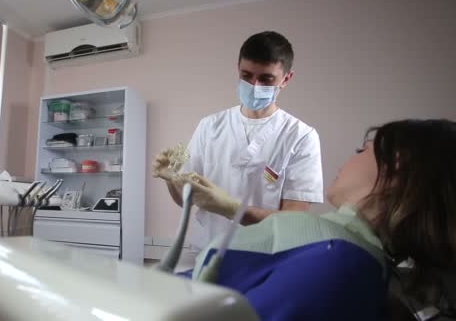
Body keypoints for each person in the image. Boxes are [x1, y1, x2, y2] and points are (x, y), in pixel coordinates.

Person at [176, 119, 456, 320]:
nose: (350, 158)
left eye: (363, 150)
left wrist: (232, 207)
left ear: (397, 164)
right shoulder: (338, 252)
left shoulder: (340, 263)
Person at [154, 31, 324, 250]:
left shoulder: (301, 136)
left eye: (265, 79)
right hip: (208, 248)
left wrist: (231, 208)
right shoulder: (209, 126)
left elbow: (293, 221)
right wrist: (171, 179)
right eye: (246, 76)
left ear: (286, 79)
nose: (254, 85)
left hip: (264, 255)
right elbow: (185, 200)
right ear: (238, 70)